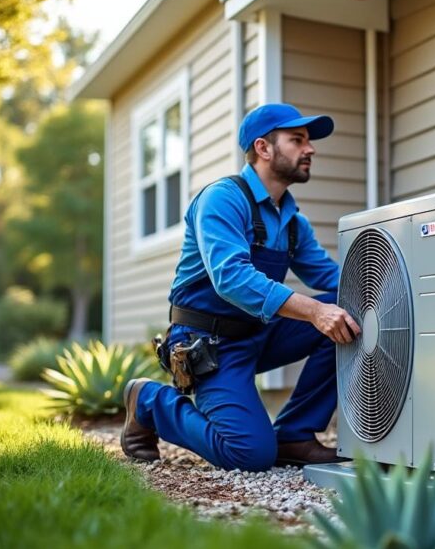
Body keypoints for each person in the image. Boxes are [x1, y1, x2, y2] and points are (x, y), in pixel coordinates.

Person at [120, 103, 361, 471]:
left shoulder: (293, 222)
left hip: (258, 334)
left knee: (347, 310)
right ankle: (150, 400)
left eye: (308, 142)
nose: (310, 149)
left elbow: (334, 280)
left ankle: (295, 434)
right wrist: (314, 311)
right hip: (208, 343)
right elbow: (230, 278)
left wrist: (398, 284)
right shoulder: (222, 199)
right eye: (297, 140)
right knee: (248, 454)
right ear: (264, 148)